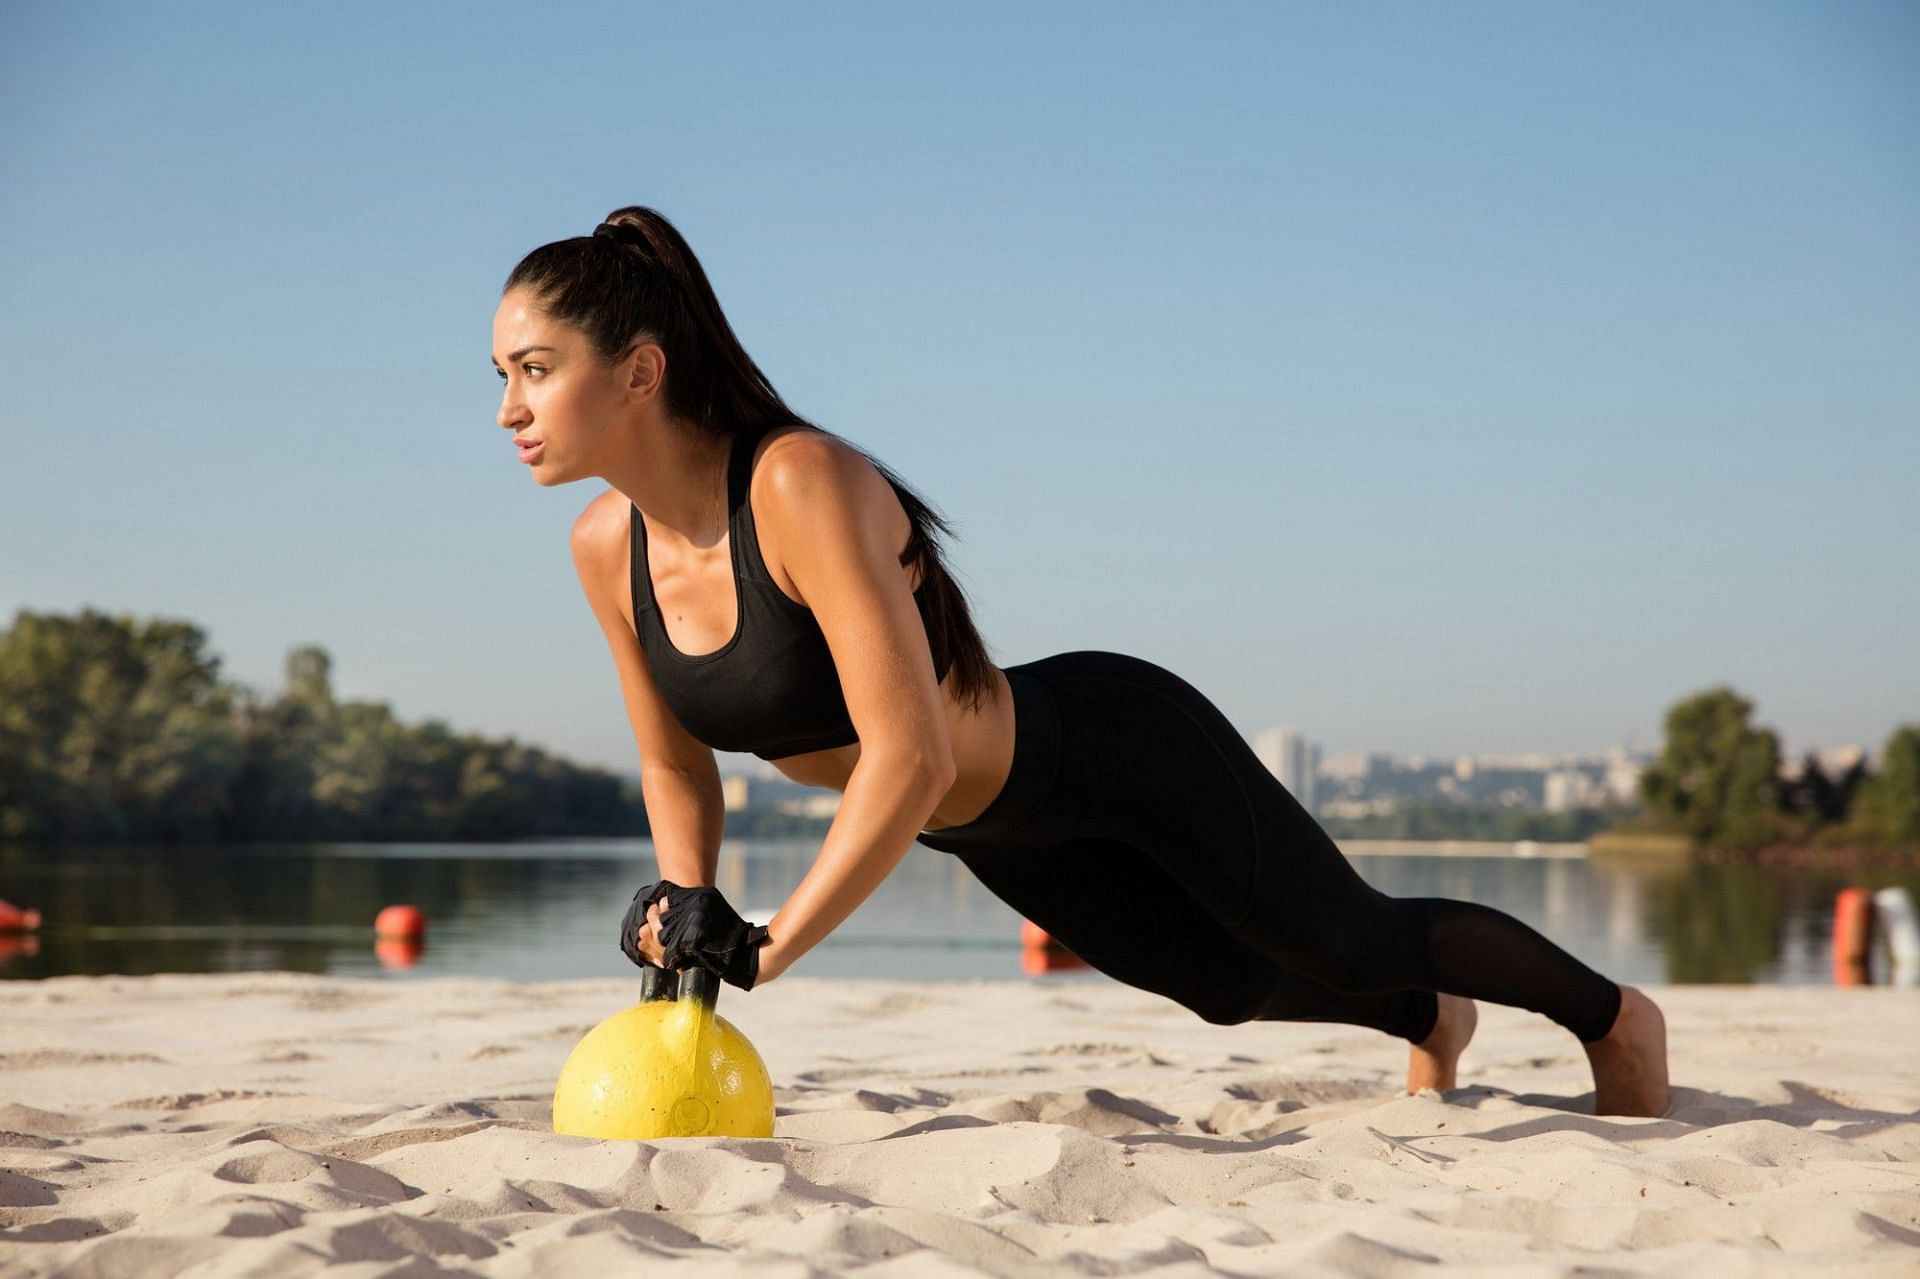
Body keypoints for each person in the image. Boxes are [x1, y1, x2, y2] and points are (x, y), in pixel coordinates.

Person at [492, 206, 1670, 1118]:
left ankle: (1612, 1016)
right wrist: (692, 899)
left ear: (640, 372)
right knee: (1222, 987)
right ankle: (1428, 1014)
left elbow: (910, 753)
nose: (509, 408)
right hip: (991, 825)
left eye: (535, 369)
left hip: (1110, 745)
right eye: (501, 376)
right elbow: (678, 768)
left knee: (1346, 932)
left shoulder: (797, 483)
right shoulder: (606, 549)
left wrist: (771, 942)